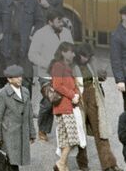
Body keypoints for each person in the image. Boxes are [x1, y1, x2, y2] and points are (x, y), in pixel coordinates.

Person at [73, 43, 119, 171]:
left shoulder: (91, 62)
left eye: (88, 56)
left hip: (93, 95)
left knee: (100, 130)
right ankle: (83, 164)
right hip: (79, 98)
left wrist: (102, 74)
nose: (86, 58)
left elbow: (99, 77)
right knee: (80, 132)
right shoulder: (72, 66)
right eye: (84, 56)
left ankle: (109, 164)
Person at [27, 8, 70, 142]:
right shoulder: (40, 34)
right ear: (50, 22)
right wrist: (48, 64)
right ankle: (43, 129)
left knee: (66, 99)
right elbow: (32, 55)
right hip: (46, 74)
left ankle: (66, 130)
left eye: (62, 20)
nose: (61, 23)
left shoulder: (67, 33)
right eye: (58, 21)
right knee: (49, 101)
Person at [0, 0, 43, 82]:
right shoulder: (3, 1)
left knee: (26, 78)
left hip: (25, 45)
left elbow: (40, 21)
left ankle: (25, 98)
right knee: (9, 78)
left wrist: (33, 34)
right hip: (8, 44)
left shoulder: (32, 2)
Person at [0, 64, 36, 171]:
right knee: (9, 163)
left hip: (21, 134)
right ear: (9, 79)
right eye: (16, 77)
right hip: (8, 135)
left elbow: (29, 114)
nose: (20, 79)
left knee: (14, 163)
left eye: (20, 76)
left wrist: (32, 133)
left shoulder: (25, 91)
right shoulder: (2, 94)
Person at [50, 42, 86, 171]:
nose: (74, 54)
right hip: (64, 106)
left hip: (68, 106)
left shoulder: (66, 67)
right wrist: (72, 95)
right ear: (64, 52)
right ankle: (61, 163)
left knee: (66, 138)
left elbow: (72, 84)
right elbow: (57, 85)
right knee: (73, 138)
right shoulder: (58, 66)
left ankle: (63, 165)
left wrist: (76, 94)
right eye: (71, 51)